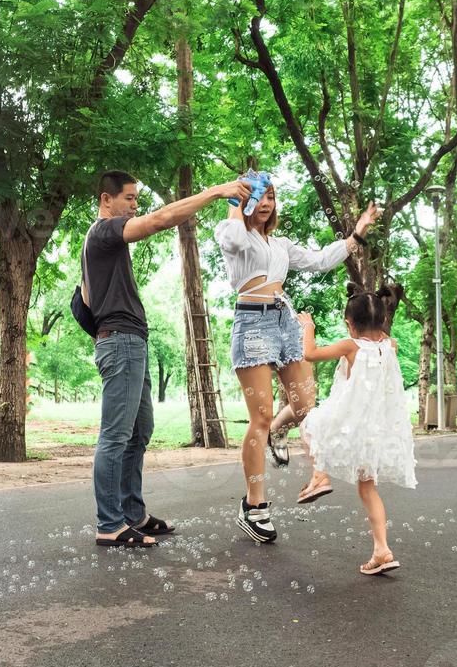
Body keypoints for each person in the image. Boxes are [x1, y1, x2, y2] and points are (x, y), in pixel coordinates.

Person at [85, 170, 251, 548]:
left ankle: (132, 514)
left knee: (139, 432)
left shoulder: (104, 245)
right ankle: (109, 524)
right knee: (115, 436)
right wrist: (214, 192)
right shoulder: (103, 231)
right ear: (106, 200)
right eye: (129, 198)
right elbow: (159, 220)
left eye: (136, 200)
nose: (135, 206)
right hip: (122, 343)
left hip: (128, 341)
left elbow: (86, 297)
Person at [214, 177, 378, 543]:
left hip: (285, 322)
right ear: (244, 200)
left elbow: (321, 260)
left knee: (307, 407)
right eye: (259, 196)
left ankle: (283, 436)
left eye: (271, 197)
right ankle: (254, 506)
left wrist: (358, 234)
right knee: (259, 416)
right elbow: (234, 239)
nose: (266, 203)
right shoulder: (231, 230)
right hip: (252, 325)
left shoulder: (281, 245)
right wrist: (238, 202)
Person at [297, 285, 417, 575]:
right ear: (382, 321)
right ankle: (382, 550)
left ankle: (320, 476)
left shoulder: (351, 346)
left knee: (308, 426)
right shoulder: (391, 345)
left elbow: (309, 354)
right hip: (376, 433)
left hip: (349, 425)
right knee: (368, 489)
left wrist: (307, 325)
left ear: (350, 324)